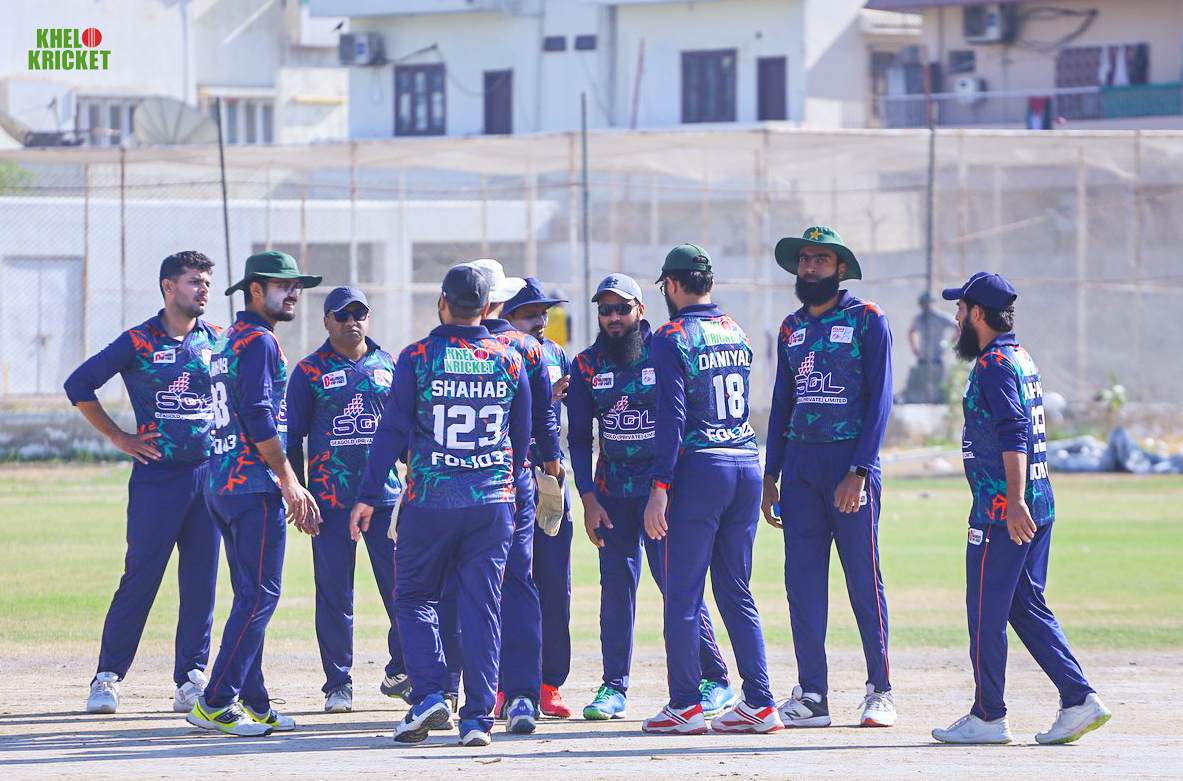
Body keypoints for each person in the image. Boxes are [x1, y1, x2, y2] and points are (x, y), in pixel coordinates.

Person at [351, 264, 531, 748]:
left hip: (431, 498)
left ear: (443, 303)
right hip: (492, 499)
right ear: (487, 307)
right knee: (483, 607)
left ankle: (431, 693)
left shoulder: (418, 356)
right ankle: (477, 719)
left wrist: (367, 494)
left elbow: (392, 429)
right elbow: (521, 435)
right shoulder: (510, 357)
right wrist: (503, 481)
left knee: (414, 597)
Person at [932, 272, 1111, 745]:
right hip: (1037, 502)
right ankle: (1078, 699)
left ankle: (988, 715)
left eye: (960, 309)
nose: (956, 318)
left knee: (985, 612)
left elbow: (1014, 431)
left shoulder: (993, 363)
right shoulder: (1020, 355)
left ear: (977, 313)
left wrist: (1011, 502)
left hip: (1004, 511)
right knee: (1023, 605)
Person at [567, 273, 737, 722]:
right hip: (612, 494)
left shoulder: (663, 348)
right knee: (615, 588)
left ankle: (715, 679)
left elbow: (683, 418)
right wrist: (588, 498)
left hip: (662, 492)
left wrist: (666, 488)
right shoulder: (586, 365)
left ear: (640, 309)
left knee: (676, 586)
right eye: (605, 310)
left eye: (622, 308)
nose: (613, 317)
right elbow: (580, 439)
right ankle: (613, 687)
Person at [65, 251, 222, 716]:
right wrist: (119, 436)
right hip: (158, 479)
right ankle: (107, 678)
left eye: (207, 282)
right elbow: (79, 384)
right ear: (168, 287)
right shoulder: (138, 340)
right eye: (194, 281)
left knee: (201, 583)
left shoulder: (219, 340)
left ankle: (191, 680)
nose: (203, 289)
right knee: (140, 578)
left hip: (209, 477)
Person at [641, 244, 782, 735]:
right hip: (745, 460)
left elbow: (673, 416)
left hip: (701, 468)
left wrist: (659, 486)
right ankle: (760, 701)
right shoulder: (735, 330)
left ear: (672, 285)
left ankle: (685, 704)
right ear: (711, 284)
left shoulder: (671, 336)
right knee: (736, 590)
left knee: (682, 594)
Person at [762, 226, 896, 728]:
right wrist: (770, 474)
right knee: (801, 583)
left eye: (821, 259)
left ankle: (880, 690)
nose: (810, 267)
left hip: (849, 468)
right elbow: (782, 404)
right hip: (800, 469)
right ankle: (813, 694)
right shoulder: (790, 327)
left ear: (840, 268)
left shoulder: (867, 318)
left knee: (863, 579)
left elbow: (881, 400)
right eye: (804, 260)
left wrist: (859, 470)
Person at [189, 251, 322, 737]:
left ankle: (255, 701)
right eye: (284, 286)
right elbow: (259, 414)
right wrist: (289, 479)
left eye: (296, 287)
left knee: (250, 595)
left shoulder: (228, 338)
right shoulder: (261, 341)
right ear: (255, 290)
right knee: (260, 595)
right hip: (251, 484)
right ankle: (216, 701)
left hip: (221, 481)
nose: (294, 294)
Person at [285, 286, 409, 713]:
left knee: (403, 589)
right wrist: (299, 492)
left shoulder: (389, 364)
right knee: (335, 596)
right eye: (343, 315)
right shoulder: (309, 371)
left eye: (359, 314)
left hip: (385, 500)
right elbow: (292, 439)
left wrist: (414, 476)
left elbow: (406, 431)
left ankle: (401, 670)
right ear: (327, 321)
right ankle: (338, 684)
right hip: (330, 501)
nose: (352, 321)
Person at [468, 260, 562, 734]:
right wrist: (551, 464)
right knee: (518, 582)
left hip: (453, 482)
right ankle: (523, 695)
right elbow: (543, 419)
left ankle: (457, 694)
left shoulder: (440, 347)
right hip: (514, 478)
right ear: (501, 300)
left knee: (462, 586)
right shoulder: (528, 348)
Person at [503, 278, 574, 719]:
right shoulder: (496, 352)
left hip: (548, 477)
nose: (540, 321)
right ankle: (502, 684)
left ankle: (549, 682)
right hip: (505, 480)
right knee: (508, 584)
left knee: (554, 582)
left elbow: (555, 417)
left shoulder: (555, 354)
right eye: (529, 314)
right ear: (506, 316)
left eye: (543, 313)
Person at [904, 291, 959, 403]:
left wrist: (949, 343)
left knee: (941, 383)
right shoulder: (919, 318)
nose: (926, 308)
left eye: (928, 305)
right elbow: (912, 331)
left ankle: (942, 401)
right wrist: (915, 347)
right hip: (924, 356)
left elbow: (958, 327)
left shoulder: (941, 317)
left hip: (938, 356)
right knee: (921, 383)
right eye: (923, 305)